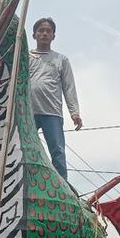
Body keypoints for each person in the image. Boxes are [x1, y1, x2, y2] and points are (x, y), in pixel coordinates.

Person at [30, 17, 82, 181]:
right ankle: (30, 184)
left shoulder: (61, 60)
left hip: (52, 112)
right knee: (26, 150)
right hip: (28, 113)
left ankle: (63, 187)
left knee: (57, 151)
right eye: (41, 30)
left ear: (53, 36)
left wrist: (75, 112)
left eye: (48, 31)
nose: (44, 33)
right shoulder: (25, 56)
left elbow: (69, 87)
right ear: (34, 35)